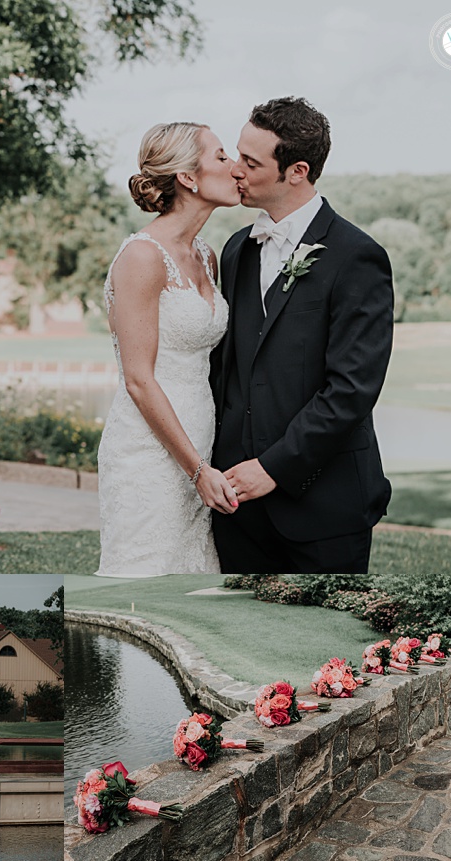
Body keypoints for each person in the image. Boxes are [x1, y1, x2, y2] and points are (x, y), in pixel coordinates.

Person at [211, 96, 393, 574]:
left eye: (250, 163)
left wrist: (273, 468)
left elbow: (351, 390)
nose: (236, 171)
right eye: (236, 156)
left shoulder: (357, 257)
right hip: (237, 509)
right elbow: (226, 371)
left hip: (325, 508)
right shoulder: (236, 250)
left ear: (297, 171)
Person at [95, 122, 240, 577]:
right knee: (143, 578)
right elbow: (139, 379)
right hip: (148, 452)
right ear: (188, 178)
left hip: (201, 446)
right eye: (221, 156)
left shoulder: (207, 255)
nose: (236, 168)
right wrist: (196, 470)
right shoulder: (142, 257)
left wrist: (204, 466)